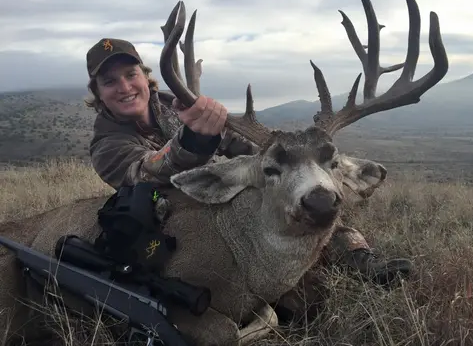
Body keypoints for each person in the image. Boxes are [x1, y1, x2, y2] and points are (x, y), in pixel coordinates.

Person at [84, 38, 412, 297]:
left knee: (301, 194)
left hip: (225, 195)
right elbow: (145, 174)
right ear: (97, 92)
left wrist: (283, 160)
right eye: (110, 81)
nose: (125, 87)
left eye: (131, 75)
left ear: (145, 76)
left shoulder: (178, 105)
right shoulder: (106, 145)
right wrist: (193, 138)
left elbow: (241, 143)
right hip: (177, 217)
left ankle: (358, 256)